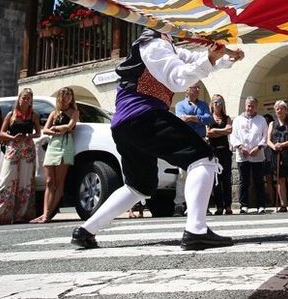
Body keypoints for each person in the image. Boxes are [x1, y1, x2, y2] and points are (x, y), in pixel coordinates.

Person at [71, 29, 242, 251]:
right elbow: (179, 79)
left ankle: (85, 231)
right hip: (142, 116)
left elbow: (194, 60)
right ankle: (196, 230)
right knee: (203, 157)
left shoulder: (165, 46)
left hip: (125, 124)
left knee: (138, 185)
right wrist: (211, 58)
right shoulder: (154, 45)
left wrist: (226, 56)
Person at [0, 88, 41, 224]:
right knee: (6, 179)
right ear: (19, 99)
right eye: (23, 97)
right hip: (13, 147)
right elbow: (2, 133)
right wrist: (13, 137)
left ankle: (21, 215)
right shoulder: (11, 114)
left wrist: (29, 136)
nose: (25, 100)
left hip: (27, 148)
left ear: (31, 100)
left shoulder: (33, 115)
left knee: (25, 182)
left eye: (28, 98)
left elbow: (38, 133)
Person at [35, 88, 79, 223]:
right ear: (60, 97)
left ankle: (48, 215)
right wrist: (56, 130)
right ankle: (44, 213)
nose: (67, 97)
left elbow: (70, 126)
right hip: (53, 145)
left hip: (65, 145)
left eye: (70, 95)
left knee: (59, 183)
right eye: (65, 95)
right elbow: (46, 129)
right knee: (49, 182)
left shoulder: (74, 112)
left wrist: (57, 129)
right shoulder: (54, 113)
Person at [173, 86, 211, 217]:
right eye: (194, 88)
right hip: (185, 142)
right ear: (187, 90)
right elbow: (180, 120)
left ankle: (200, 205)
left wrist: (191, 118)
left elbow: (208, 118)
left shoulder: (204, 104)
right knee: (183, 174)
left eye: (198, 88)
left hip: (200, 141)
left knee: (201, 173)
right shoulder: (180, 105)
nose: (197, 90)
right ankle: (179, 204)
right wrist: (198, 118)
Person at [231, 96, 268, 214]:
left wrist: (258, 147)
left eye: (252, 106)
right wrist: (241, 147)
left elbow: (265, 136)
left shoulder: (261, 119)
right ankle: (244, 206)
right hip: (243, 155)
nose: (250, 108)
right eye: (248, 105)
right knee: (244, 181)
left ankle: (261, 205)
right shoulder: (237, 120)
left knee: (259, 181)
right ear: (245, 105)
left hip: (257, 155)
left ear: (256, 107)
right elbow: (233, 136)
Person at [267, 100, 288, 213]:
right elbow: (268, 140)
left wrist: (282, 145)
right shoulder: (272, 124)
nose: (279, 111)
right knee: (280, 180)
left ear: (286, 110)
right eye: (277, 109)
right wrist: (274, 146)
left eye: (281, 108)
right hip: (276, 153)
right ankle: (283, 205)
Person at [206, 95, 233, 215]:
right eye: (216, 102)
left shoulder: (226, 118)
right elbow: (208, 133)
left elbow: (229, 130)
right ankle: (219, 206)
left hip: (225, 151)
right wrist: (221, 132)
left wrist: (216, 131)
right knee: (216, 180)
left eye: (220, 102)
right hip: (214, 151)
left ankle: (228, 205)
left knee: (226, 179)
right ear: (212, 104)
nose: (218, 104)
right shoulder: (209, 118)